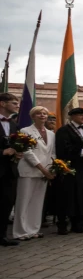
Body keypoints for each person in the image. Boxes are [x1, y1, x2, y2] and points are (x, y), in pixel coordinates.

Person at [13, 107, 56, 240]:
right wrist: (42, 168)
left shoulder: (51, 134)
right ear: (33, 116)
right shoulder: (25, 131)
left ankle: (33, 229)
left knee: (37, 202)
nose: (42, 115)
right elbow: (27, 152)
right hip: (29, 170)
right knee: (23, 201)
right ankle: (20, 231)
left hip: (44, 172)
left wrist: (51, 169)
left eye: (44, 113)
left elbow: (52, 153)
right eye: (39, 113)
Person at [54, 107, 83, 234]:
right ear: (72, 117)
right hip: (67, 167)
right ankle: (62, 224)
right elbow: (62, 149)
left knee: (79, 196)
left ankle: (77, 223)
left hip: (82, 168)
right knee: (66, 196)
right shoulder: (64, 130)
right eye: (80, 115)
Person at [1, 93, 23, 246]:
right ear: (2, 103)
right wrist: (2, 152)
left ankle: (2, 236)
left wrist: (18, 152)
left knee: (6, 203)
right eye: (14, 102)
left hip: (10, 170)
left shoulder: (14, 124)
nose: (17, 105)